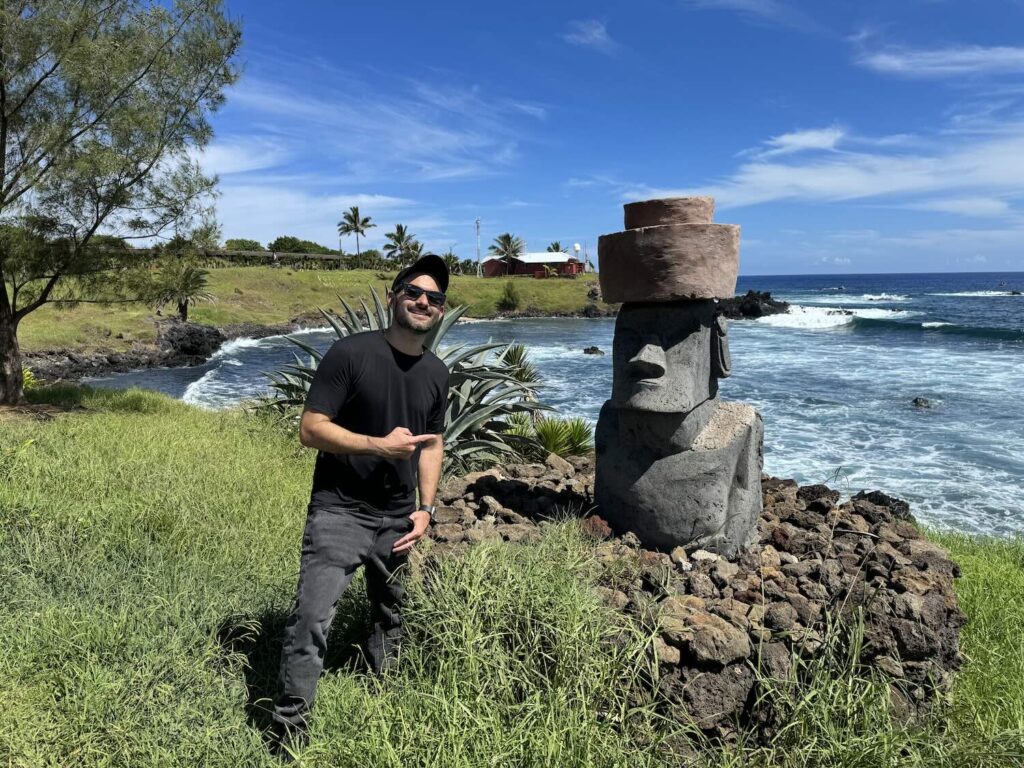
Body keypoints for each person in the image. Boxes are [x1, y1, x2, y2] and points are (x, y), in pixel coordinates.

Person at [270, 254, 451, 757]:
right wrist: (377, 445)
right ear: (393, 297)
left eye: (434, 298)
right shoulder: (350, 354)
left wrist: (426, 509)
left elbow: (432, 444)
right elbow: (311, 429)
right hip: (340, 511)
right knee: (311, 619)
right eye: (414, 292)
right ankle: (288, 733)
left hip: (398, 516)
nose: (423, 302)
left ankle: (382, 698)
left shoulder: (437, 373)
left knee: (390, 615)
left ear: (440, 311)